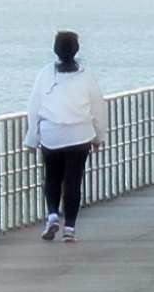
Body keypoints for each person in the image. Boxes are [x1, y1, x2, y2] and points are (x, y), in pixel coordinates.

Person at [23, 31, 108, 243]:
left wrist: (32, 138)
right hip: (79, 136)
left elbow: (34, 107)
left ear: (55, 50)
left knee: (52, 177)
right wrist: (99, 136)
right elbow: (98, 107)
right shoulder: (86, 76)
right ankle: (69, 228)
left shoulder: (45, 74)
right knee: (73, 181)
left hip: (51, 135)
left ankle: (52, 215)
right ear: (76, 50)